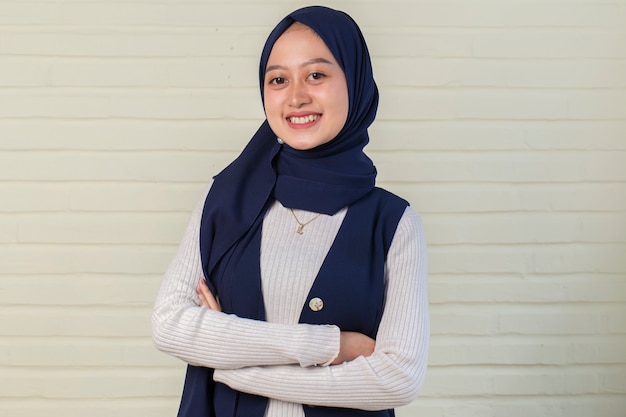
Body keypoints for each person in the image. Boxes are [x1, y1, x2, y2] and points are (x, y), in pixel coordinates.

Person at [152, 5, 429, 417]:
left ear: (354, 82)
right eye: (278, 79)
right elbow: (170, 325)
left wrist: (237, 369)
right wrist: (333, 346)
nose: (296, 96)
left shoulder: (392, 222)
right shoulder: (227, 199)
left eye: (316, 75)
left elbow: (397, 378)